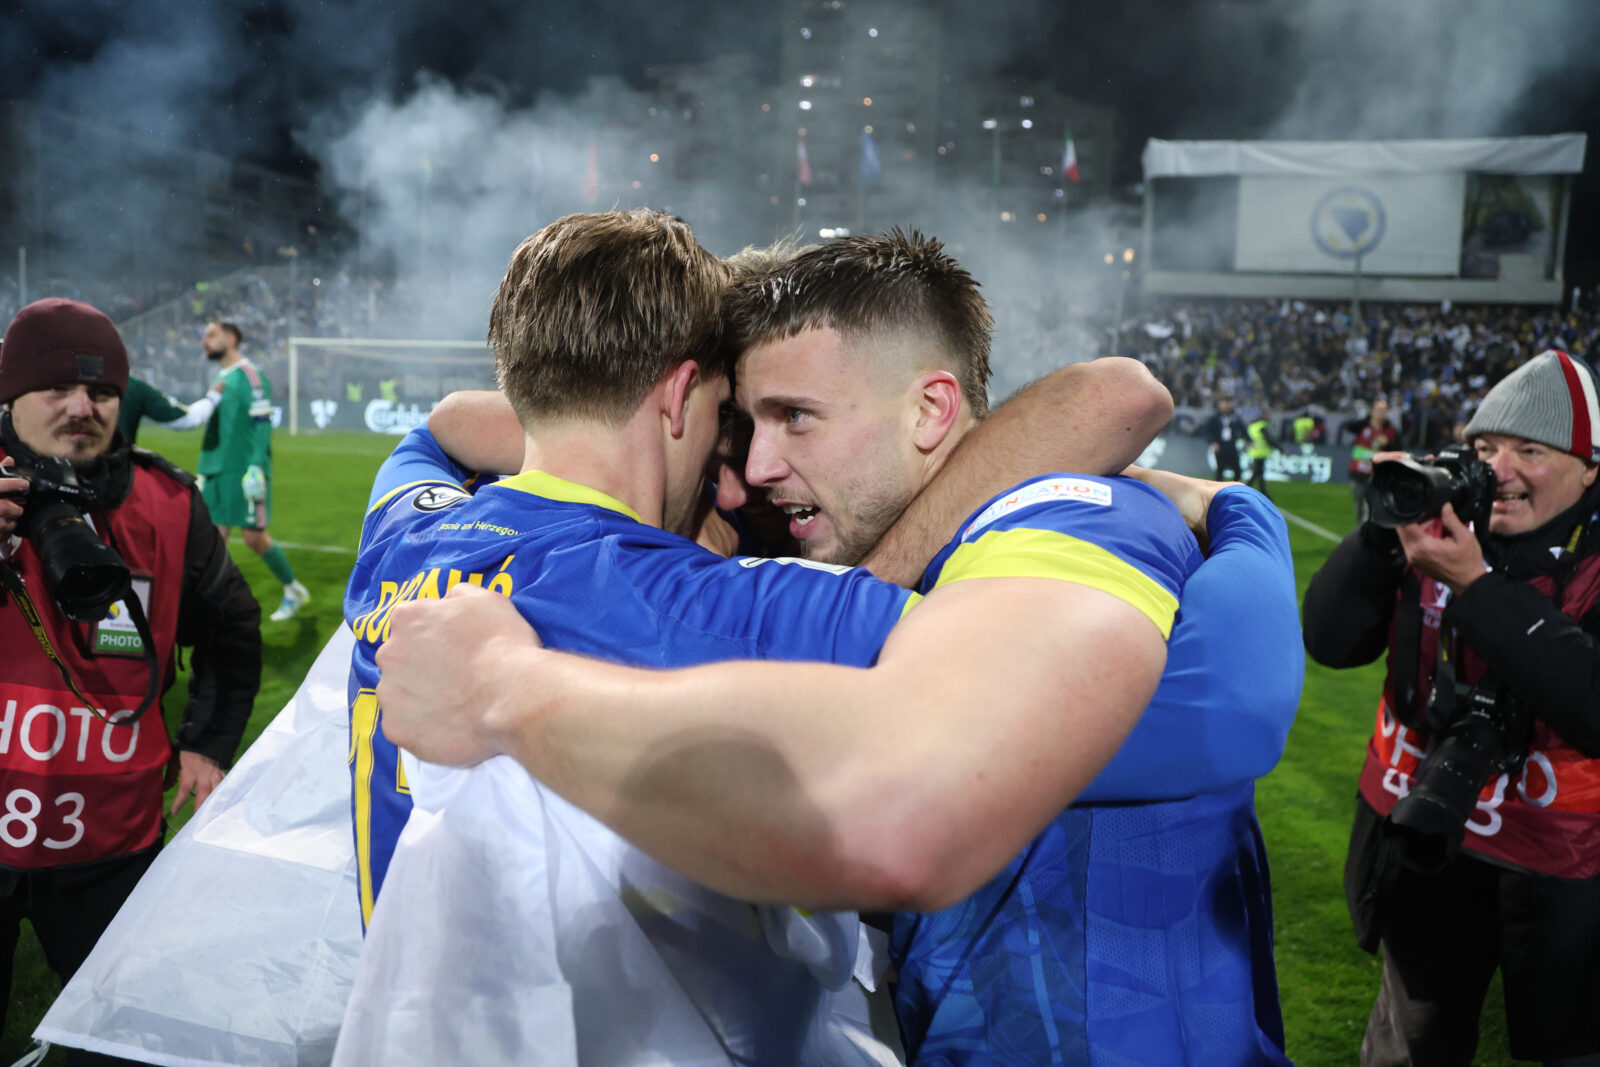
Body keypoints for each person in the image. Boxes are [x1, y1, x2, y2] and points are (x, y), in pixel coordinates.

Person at [375, 230, 1302, 1065]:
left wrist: (1241, 514)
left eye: (797, 417)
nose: (759, 470)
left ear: (931, 411)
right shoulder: (835, 546)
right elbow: (470, 417)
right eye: (739, 426)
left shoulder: (1063, 521)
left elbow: (1212, 708)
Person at [1303, 348, 1600, 1067]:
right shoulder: (1436, 530)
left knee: (1571, 1045)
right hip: (1430, 839)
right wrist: (1381, 534)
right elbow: (1330, 639)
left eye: (1530, 450)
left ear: (1592, 467)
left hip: (1565, 868)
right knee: (1413, 1040)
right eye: (1484, 447)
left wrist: (1475, 586)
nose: (1498, 470)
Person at [0, 298, 261, 1063]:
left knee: (126, 1045)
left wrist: (208, 744)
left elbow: (233, 630)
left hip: (109, 842)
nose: (83, 407)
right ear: (8, 395)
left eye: (103, 393)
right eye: (56, 388)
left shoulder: (168, 506)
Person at [197, 321, 309, 621]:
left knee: (253, 538)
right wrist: (206, 470)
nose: (205, 341)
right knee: (212, 540)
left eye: (212, 335)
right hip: (217, 471)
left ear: (232, 338)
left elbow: (262, 423)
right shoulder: (221, 376)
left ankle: (293, 589)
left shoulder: (249, 374)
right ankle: (215, 606)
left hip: (243, 471)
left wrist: (256, 467)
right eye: (204, 336)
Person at [116, 375, 220, 446]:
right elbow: (185, 419)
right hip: (118, 472)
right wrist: (212, 398)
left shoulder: (132, 384)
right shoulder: (133, 385)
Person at [1347, 395, 1398, 524]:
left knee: (1369, 508)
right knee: (1358, 506)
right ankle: (1360, 531)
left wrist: (1388, 444)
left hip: (1376, 475)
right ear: (1373, 411)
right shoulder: (1362, 426)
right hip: (1358, 473)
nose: (1381, 413)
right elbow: (1348, 427)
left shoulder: (1390, 430)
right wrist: (1367, 420)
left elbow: (1399, 448)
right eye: (1378, 409)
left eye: (1384, 410)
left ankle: (1366, 532)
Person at [1201, 392, 1247, 480]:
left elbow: (1243, 430)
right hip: (1220, 448)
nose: (1226, 406)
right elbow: (1207, 432)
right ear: (1219, 405)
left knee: (1237, 471)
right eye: (1224, 403)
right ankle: (1219, 493)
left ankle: (1235, 492)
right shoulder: (1214, 418)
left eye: (1228, 403)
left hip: (1232, 448)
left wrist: (1250, 440)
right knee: (1220, 472)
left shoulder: (1235, 418)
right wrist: (1212, 442)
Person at [1245, 408, 1280, 498]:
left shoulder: (1253, 425)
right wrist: (1281, 448)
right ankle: (1245, 490)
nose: (1270, 417)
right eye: (1269, 415)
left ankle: (1263, 491)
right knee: (1256, 473)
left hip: (1255, 452)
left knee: (1259, 473)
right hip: (1261, 452)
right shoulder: (1262, 426)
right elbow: (1269, 439)